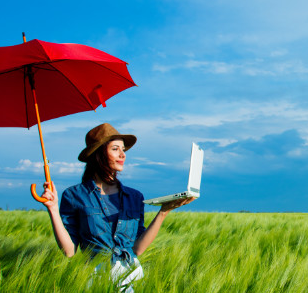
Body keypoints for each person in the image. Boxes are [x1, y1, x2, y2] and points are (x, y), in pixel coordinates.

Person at [41, 123, 195, 290]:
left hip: (130, 278)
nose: (123, 155)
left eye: (123, 150)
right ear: (98, 154)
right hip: (94, 280)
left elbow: (138, 249)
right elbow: (69, 251)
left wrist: (164, 211)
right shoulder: (74, 196)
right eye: (115, 149)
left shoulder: (134, 197)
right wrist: (53, 209)